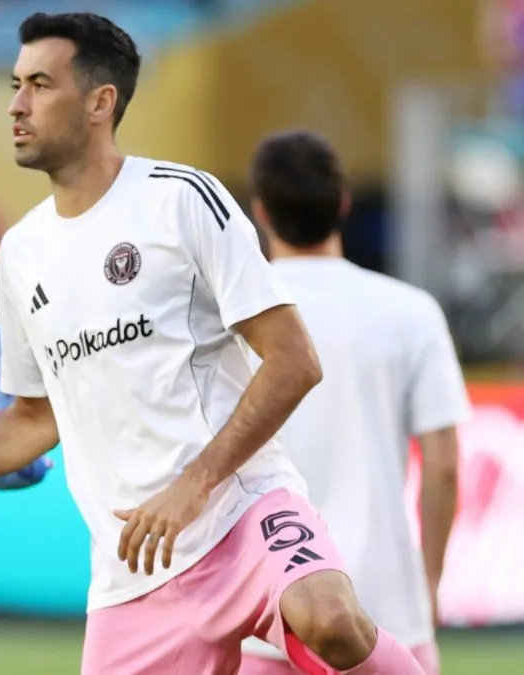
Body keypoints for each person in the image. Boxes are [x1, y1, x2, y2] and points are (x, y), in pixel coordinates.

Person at [0, 12, 425, 674]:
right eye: (15, 84)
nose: (16, 104)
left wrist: (194, 484)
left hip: (242, 509)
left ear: (100, 102)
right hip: (134, 568)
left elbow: (295, 359)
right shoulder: (21, 252)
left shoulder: (181, 200)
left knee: (330, 618)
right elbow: (37, 416)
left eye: (39, 84)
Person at [237, 132, 467, 674]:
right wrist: (427, 585)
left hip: (267, 613)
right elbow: (444, 465)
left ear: (260, 211)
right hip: (387, 614)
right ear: (343, 204)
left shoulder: (232, 322)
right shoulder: (411, 312)